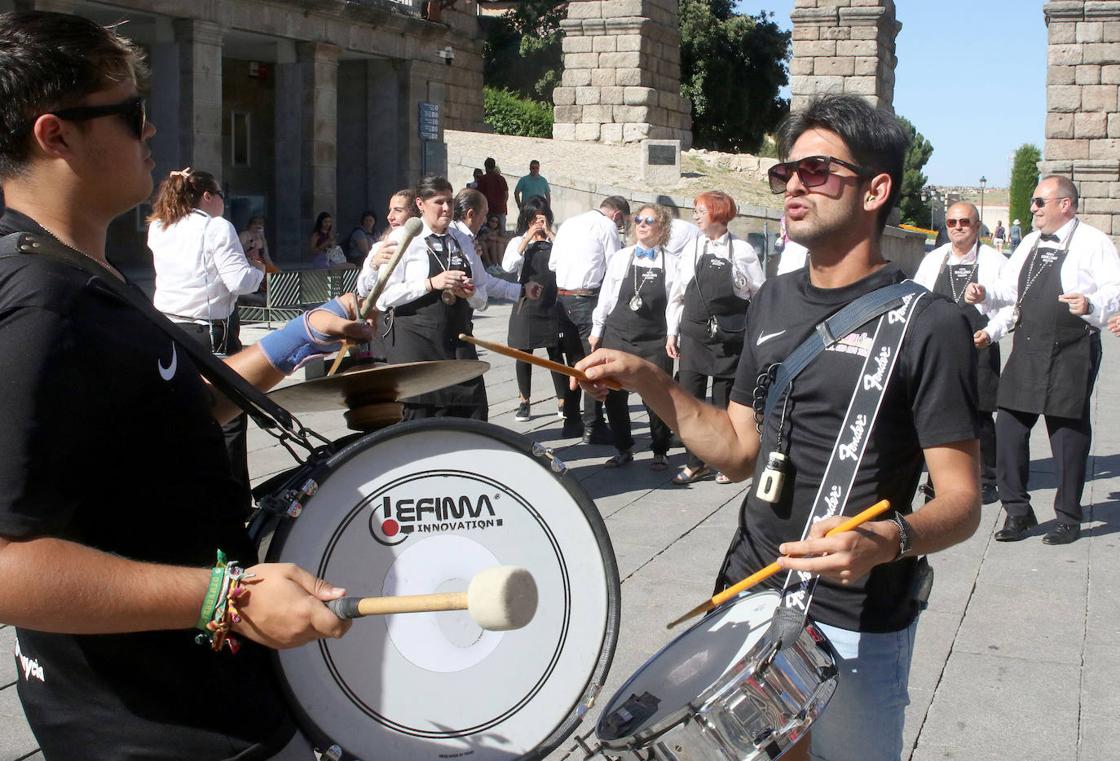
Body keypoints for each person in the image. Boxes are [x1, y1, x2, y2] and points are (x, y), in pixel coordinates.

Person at [0, 11, 374, 759]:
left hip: (205, 699)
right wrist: (225, 599)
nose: (152, 134)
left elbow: (162, 410)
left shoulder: (85, 270)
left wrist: (299, 335)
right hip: (158, 725)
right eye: (132, 112)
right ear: (56, 135)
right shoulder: (44, 301)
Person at [575, 94, 981, 761]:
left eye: (818, 170)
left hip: (854, 618)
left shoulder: (930, 324)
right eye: (786, 172)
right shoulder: (772, 297)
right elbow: (735, 450)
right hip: (752, 593)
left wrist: (888, 538)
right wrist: (647, 377)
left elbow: (963, 501)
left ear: (876, 188)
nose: (794, 183)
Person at [965, 175, 1120, 544]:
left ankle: (1068, 516)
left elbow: (1115, 289)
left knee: (1068, 436)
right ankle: (1018, 511)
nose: (1032, 209)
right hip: (1029, 348)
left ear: (1064, 204)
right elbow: (1010, 289)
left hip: (1073, 348)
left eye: (1039, 202)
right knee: (1010, 429)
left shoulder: (1095, 243)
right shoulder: (1031, 242)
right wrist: (985, 292)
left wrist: (1091, 305)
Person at [148, 167, 265, 504]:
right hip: (210, 331)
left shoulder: (159, 226)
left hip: (169, 326)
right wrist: (255, 268)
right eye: (220, 197)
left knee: (181, 411)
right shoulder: (215, 226)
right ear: (209, 196)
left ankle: (184, 491)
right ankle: (232, 499)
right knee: (227, 417)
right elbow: (238, 282)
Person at [377, 177, 535, 421]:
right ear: (420, 204)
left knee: (474, 413)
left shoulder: (461, 240)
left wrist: (471, 294)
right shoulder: (402, 238)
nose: (447, 208)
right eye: (438, 202)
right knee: (422, 420)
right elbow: (383, 297)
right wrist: (430, 284)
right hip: (417, 345)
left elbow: (482, 295)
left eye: (449, 202)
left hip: (457, 340)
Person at [913, 202, 1014, 506]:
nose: (957, 227)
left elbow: (1012, 304)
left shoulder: (996, 261)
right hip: (941, 348)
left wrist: (992, 331)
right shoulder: (933, 260)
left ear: (978, 226)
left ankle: (987, 478)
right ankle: (938, 475)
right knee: (936, 410)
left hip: (979, 342)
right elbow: (916, 299)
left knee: (981, 414)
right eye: (952, 222)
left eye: (964, 222)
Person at [665, 191, 765, 485]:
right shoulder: (691, 248)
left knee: (723, 403)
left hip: (730, 338)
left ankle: (725, 460)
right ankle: (695, 462)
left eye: (700, 210)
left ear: (718, 213)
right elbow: (678, 294)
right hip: (694, 334)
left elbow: (758, 295)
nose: (695, 216)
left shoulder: (743, 251)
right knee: (689, 399)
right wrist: (672, 331)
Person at [591, 203, 680, 470]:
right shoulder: (621, 257)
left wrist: (672, 335)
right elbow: (607, 296)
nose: (641, 225)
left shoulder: (672, 262)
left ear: (661, 228)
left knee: (656, 395)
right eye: (639, 220)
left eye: (649, 221)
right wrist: (597, 330)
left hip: (653, 338)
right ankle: (623, 448)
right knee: (614, 395)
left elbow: (675, 303)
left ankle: (660, 450)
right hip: (618, 333)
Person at [549, 194, 631, 444]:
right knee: (592, 364)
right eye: (622, 223)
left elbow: (553, 264)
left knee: (574, 362)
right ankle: (593, 425)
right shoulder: (606, 226)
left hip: (562, 298)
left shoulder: (569, 224)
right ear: (617, 215)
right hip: (586, 299)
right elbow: (616, 266)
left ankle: (571, 421)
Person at [503, 204, 570, 422]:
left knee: (555, 353)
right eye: (533, 219)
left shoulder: (555, 241)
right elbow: (508, 266)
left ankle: (563, 399)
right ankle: (524, 400)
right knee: (523, 353)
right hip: (527, 303)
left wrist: (550, 233)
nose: (537, 224)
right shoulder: (517, 241)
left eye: (541, 219)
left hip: (551, 303)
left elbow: (567, 263)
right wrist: (526, 239)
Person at [475, 156, 509, 232]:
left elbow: (479, 195)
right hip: (500, 209)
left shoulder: (482, 179)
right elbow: (506, 194)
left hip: (488, 210)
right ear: (494, 166)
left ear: (486, 167)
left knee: (486, 233)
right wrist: (502, 204)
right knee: (501, 232)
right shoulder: (501, 179)